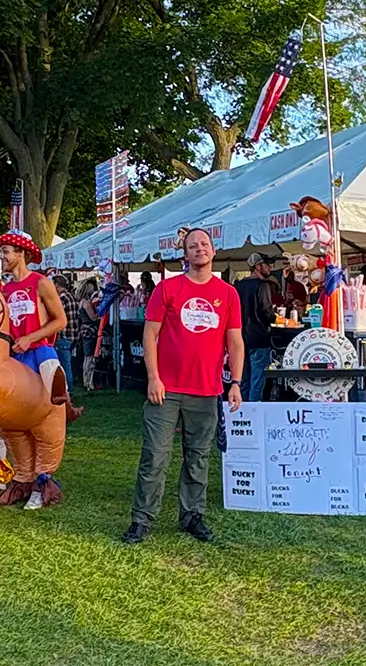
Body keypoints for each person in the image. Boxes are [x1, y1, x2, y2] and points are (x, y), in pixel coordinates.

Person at [123, 227, 243, 545]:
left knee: (198, 457)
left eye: (204, 244)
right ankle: (142, 519)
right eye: (193, 246)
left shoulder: (228, 294)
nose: (199, 249)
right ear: (185, 254)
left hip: (207, 389)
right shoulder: (169, 289)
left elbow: (235, 341)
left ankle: (192, 516)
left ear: (213, 251)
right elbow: (149, 335)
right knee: (155, 456)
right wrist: (153, 377)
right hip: (166, 388)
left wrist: (236, 382)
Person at [0, 231, 71, 408]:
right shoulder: (4, 290)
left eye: (5, 251)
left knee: (52, 372)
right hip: (15, 353)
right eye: (1, 252)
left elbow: (60, 321)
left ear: (21, 253)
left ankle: (67, 408)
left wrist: (29, 338)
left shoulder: (41, 282)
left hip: (40, 348)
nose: (1, 257)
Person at [234, 254, 281, 402]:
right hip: (259, 338)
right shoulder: (263, 286)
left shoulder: (239, 286)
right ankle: (254, 414)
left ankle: (242, 413)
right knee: (257, 382)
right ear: (258, 267)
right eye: (267, 264)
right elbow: (266, 312)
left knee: (243, 381)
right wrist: (280, 320)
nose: (270, 268)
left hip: (240, 339)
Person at [67, 281, 101, 390]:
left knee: (87, 356)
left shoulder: (80, 302)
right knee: (89, 356)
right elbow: (93, 317)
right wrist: (101, 312)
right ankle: (88, 381)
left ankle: (86, 380)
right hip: (90, 330)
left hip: (84, 330)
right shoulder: (86, 303)